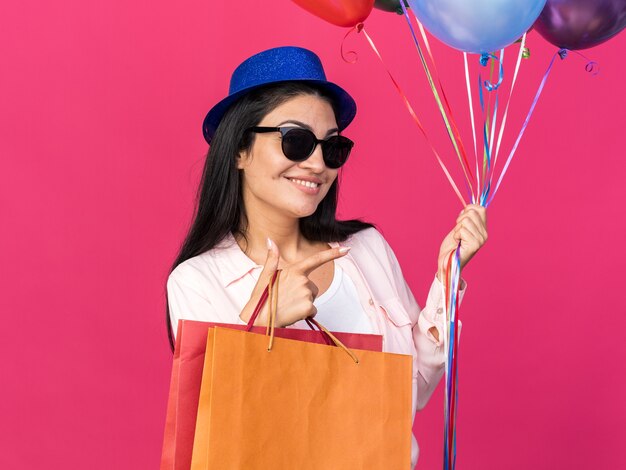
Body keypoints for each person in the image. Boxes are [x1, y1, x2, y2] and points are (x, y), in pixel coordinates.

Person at [165, 46, 487, 468]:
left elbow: (415, 388)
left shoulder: (367, 247)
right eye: (295, 141)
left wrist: (448, 277)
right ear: (239, 150)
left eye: (332, 147)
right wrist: (263, 325)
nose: (317, 163)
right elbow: (218, 435)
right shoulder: (197, 280)